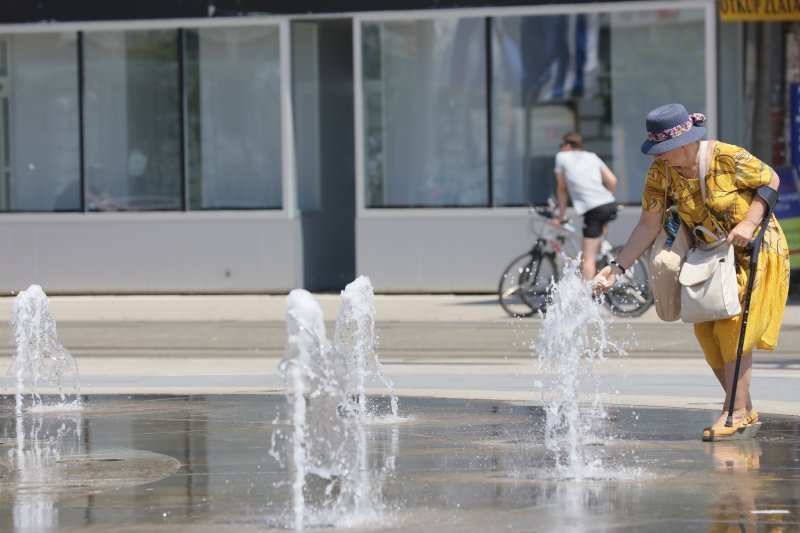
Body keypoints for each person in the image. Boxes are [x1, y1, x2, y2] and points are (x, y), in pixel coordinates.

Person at [593, 103, 790, 441]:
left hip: (755, 250)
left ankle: (735, 413)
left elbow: (771, 179)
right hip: (709, 255)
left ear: (685, 142)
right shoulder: (661, 172)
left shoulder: (726, 156)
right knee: (706, 334)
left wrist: (749, 221)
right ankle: (744, 409)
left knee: (732, 325)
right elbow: (648, 225)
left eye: (663, 150)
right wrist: (617, 267)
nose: (658, 157)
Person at [553, 131, 620, 280]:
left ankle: (586, 297)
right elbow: (612, 180)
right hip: (608, 203)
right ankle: (604, 258)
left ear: (567, 145)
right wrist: (605, 198)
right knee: (597, 244)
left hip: (594, 210)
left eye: (561, 145)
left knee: (587, 259)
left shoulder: (561, 157)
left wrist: (561, 215)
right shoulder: (592, 156)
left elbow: (562, 189)